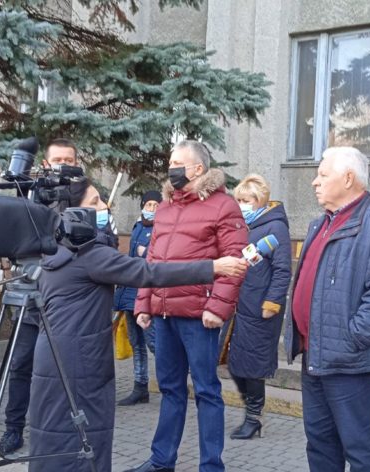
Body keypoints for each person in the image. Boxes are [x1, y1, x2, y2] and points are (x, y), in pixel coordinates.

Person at [28, 182, 248, 472]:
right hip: (82, 361)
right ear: (74, 213)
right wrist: (213, 267)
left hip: (51, 355)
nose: (104, 208)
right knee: (85, 438)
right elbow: (148, 271)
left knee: (53, 433)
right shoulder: (90, 255)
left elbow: (34, 310)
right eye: (95, 202)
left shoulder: (51, 253)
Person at [127, 140, 248, 472]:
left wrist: (217, 308)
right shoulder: (164, 207)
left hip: (200, 316)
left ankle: (211, 465)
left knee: (207, 391)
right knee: (170, 389)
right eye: (170, 162)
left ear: (198, 169)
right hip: (164, 314)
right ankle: (161, 460)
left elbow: (235, 261)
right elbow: (153, 260)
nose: (171, 168)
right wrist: (143, 303)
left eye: (178, 162)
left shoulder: (224, 206)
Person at [283, 147, 370, 471]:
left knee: (361, 451)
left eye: (323, 175)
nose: (314, 182)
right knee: (321, 447)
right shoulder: (319, 224)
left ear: (348, 179)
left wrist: (352, 339)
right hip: (316, 357)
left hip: (350, 361)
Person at [0, 136, 84, 456]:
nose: (63, 165)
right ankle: (13, 428)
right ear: (45, 164)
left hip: (63, 302)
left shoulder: (87, 196)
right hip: (28, 294)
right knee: (20, 366)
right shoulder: (29, 194)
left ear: (76, 161)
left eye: (68, 159)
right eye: (57, 160)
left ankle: (60, 432)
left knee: (60, 371)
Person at [225, 174, 292, 440]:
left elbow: (282, 270)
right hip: (242, 307)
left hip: (261, 309)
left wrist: (272, 302)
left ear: (259, 200)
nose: (241, 204)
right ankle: (252, 414)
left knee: (252, 367)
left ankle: (253, 419)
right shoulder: (246, 226)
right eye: (238, 199)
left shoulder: (275, 228)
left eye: (246, 200)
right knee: (237, 364)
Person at [114, 189, 162, 406]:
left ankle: (170, 383)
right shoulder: (137, 227)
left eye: (155, 205)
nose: (151, 209)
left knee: (154, 343)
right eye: (148, 204)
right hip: (129, 293)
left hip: (147, 294)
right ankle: (140, 387)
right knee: (136, 343)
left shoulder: (161, 230)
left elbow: (154, 262)